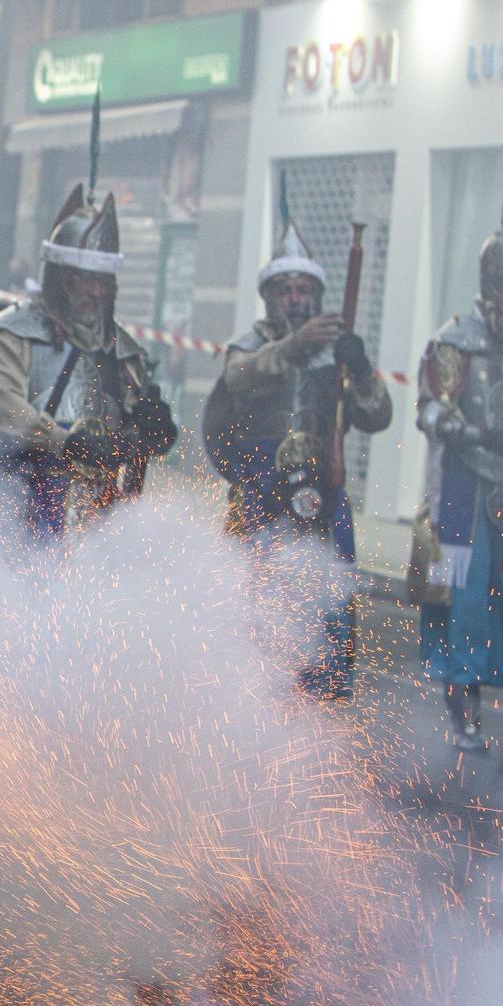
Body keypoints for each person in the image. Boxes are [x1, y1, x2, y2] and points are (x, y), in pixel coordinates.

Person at [202, 209, 393, 700]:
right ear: (270, 297)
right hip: (263, 488)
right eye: (286, 290)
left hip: (323, 490)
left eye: (303, 289)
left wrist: (363, 368)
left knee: (327, 593)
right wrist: (291, 347)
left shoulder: (337, 354)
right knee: (258, 590)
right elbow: (237, 379)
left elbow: (377, 416)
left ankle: (325, 691)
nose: (296, 298)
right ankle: (251, 695)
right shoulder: (252, 346)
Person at [409, 159, 503, 754]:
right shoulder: (456, 341)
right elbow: (429, 408)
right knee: (463, 597)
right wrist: (476, 433)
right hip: (465, 488)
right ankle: (462, 708)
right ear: (487, 284)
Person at [0, 183, 177, 538]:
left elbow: (132, 422)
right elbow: (3, 407)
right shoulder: (14, 333)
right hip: (19, 497)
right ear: (61, 278)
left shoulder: (120, 347)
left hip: (100, 508)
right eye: (86, 280)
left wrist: (151, 428)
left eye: (104, 282)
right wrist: (63, 440)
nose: (96, 293)